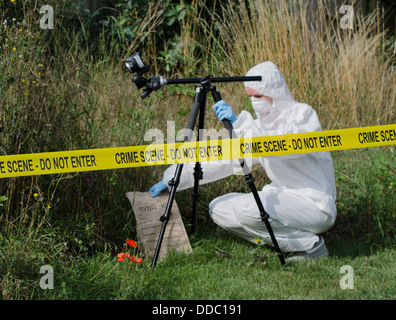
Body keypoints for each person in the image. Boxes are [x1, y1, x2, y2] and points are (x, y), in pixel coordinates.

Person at [148, 61, 337, 261]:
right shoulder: (256, 126)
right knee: (219, 208)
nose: (255, 102)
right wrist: (172, 178)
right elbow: (225, 161)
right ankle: (287, 242)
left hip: (315, 204)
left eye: (259, 96)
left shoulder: (302, 114)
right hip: (284, 198)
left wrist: (241, 125)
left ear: (275, 92)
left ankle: (312, 247)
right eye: (250, 97)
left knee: (249, 210)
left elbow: (286, 148)